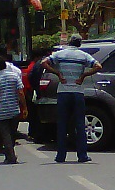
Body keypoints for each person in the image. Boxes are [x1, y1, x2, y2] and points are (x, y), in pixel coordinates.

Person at [42, 34, 102, 163]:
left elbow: (44, 63)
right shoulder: (84, 55)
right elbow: (98, 66)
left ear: (69, 42)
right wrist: (83, 75)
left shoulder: (60, 54)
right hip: (77, 92)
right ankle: (82, 155)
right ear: (79, 44)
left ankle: (60, 156)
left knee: (62, 124)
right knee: (80, 124)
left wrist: (58, 73)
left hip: (63, 92)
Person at [0, 56, 27, 164]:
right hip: (14, 110)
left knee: (6, 135)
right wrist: (24, 108)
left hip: (1, 112)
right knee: (12, 134)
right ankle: (10, 155)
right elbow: (20, 93)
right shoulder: (15, 76)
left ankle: (10, 157)